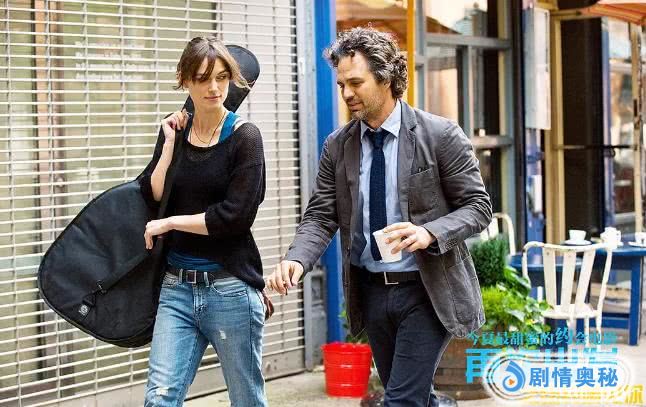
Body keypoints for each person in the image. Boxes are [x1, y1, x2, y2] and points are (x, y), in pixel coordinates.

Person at [265, 27, 492, 406]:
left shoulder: (440, 135)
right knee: (411, 397)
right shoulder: (338, 146)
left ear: (386, 77)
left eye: (356, 83)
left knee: (399, 401)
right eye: (341, 85)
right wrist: (297, 259)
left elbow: (477, 207)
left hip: (426, 288)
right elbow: (321, 215)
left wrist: (429, 233)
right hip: (371, 293)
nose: (346, 93)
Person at [139, 36, 267, 406]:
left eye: (221, 77)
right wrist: (168, 146)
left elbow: (234, 217)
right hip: (176, 289)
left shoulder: (245, 137)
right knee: (159, 399)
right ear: (185, 81)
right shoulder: (175, 131)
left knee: (246, 400)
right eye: (203, 78)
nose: (214, 87)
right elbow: (153, 195)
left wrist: (170, 224)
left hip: (229, 289)